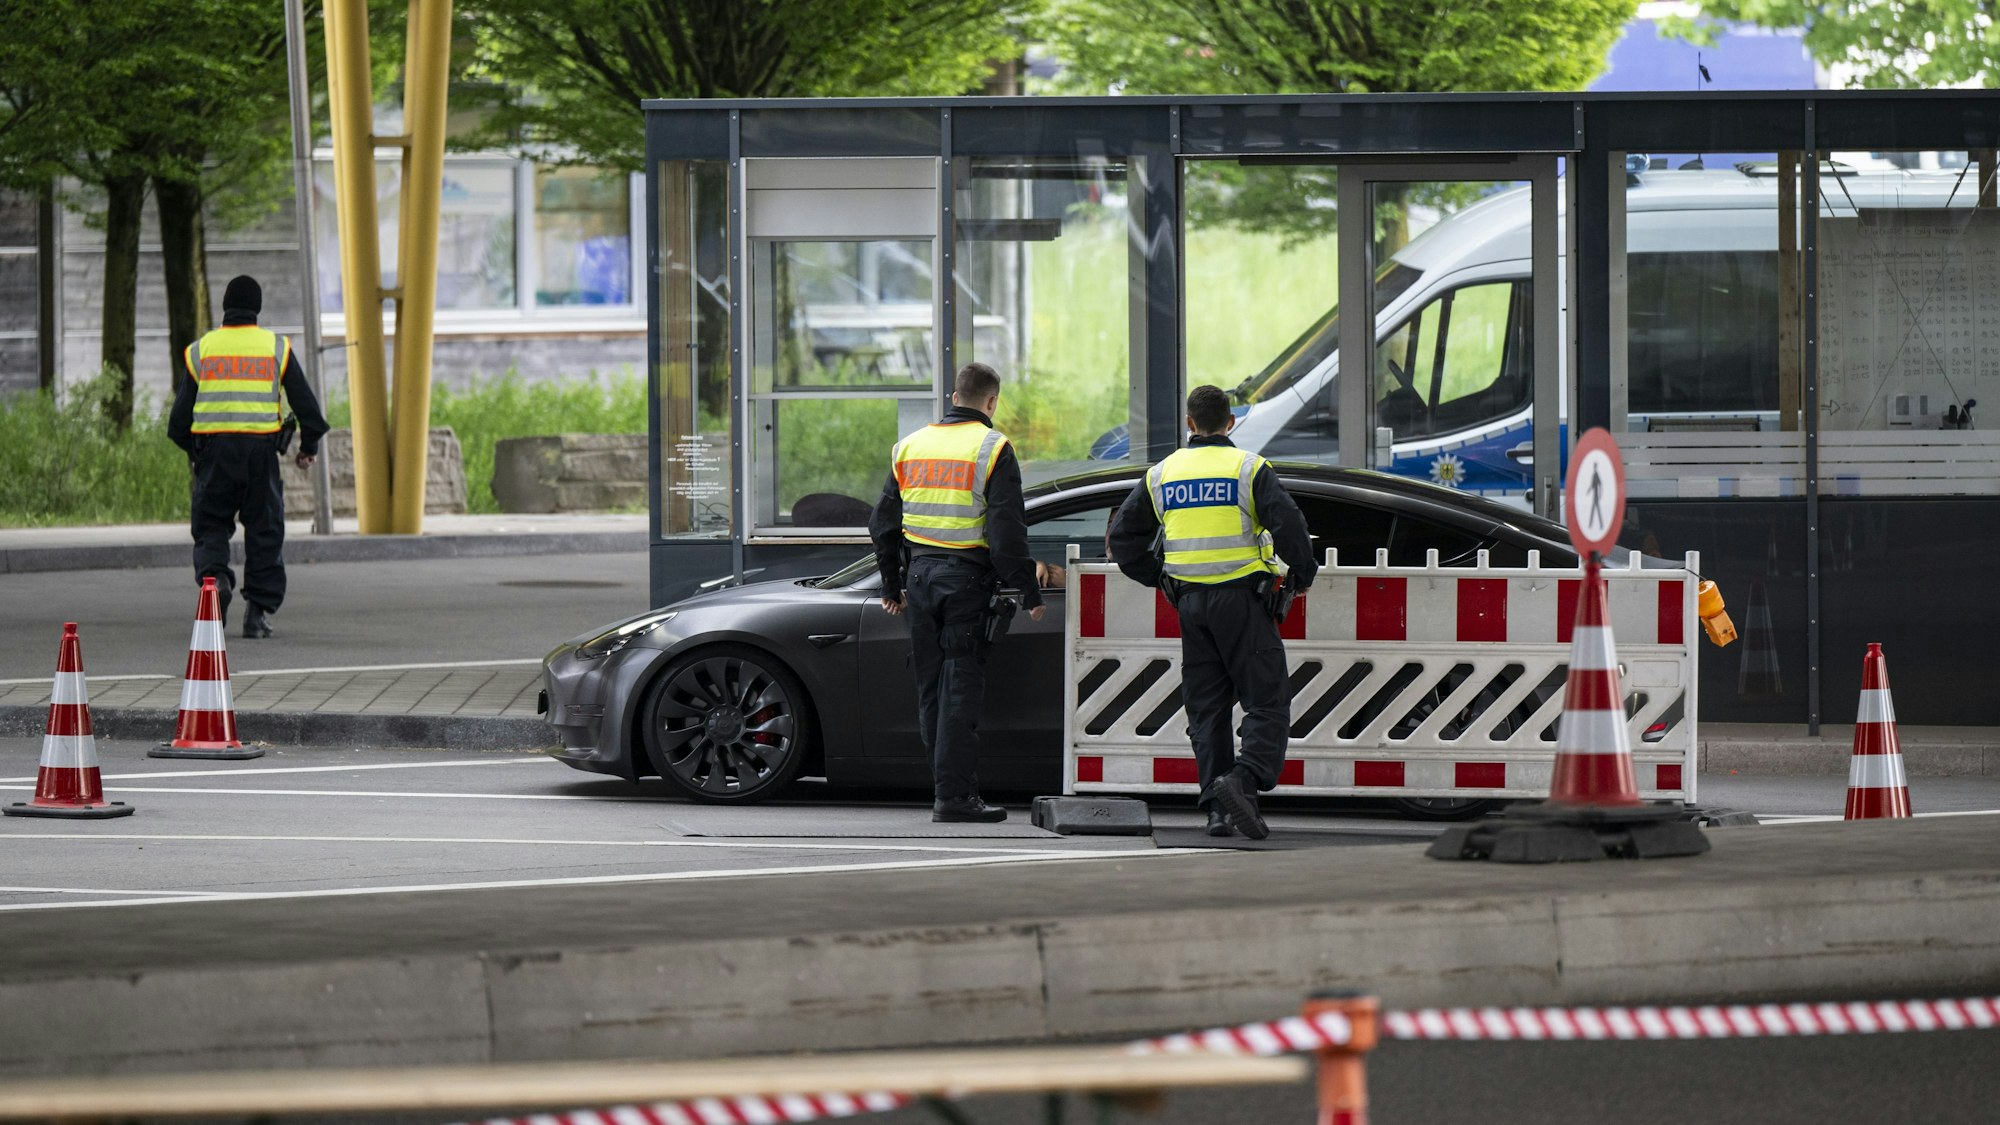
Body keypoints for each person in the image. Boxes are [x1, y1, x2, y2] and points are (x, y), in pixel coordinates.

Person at [1107, 385, 1319, 839]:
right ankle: (1240, 780)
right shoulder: (1248, 469)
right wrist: (1304, 573)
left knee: (1206, 709)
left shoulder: (1162, 474)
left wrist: (1160, 578)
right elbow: (1290, 528)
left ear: (1189, 424)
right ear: (1231, 423)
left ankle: (1219, 813)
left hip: (1191, 605)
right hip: (1242, 601)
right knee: (1267, 700)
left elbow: (1122, 542)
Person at [869, 362, 1045, 823]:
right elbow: (1007, 533)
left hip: (919, 580)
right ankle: (954, 798)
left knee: (931, 689)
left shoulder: (909, 446)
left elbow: (882, 525)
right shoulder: (993, 448)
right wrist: (1029, 591)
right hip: (965, 583)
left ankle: (949, 788)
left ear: (953, 397)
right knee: (960, 689)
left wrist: (892, 584)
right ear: (991, 402)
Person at [167, 276, 330, 639]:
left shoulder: (202, 350)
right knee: (265, 531)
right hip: (261, 454)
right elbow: (309, 410)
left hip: (215, 451)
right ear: (256, 308)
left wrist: (198, 455)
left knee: (210, 527)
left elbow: (178, 423)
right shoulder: (276, 348)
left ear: (225, 307)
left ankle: (217, 585)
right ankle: (257, 614)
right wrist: (309, 447)